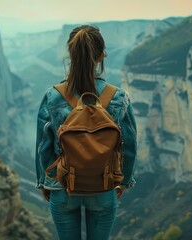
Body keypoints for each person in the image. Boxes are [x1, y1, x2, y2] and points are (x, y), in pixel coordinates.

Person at [35, 25, 137, 240]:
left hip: (63, 187)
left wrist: (46, 182)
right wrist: (123, 182)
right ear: (102, 56)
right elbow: (129, 146)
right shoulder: (119, 97)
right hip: (103, 185)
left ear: (71, 55)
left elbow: (43, 146)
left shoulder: (52, 96)